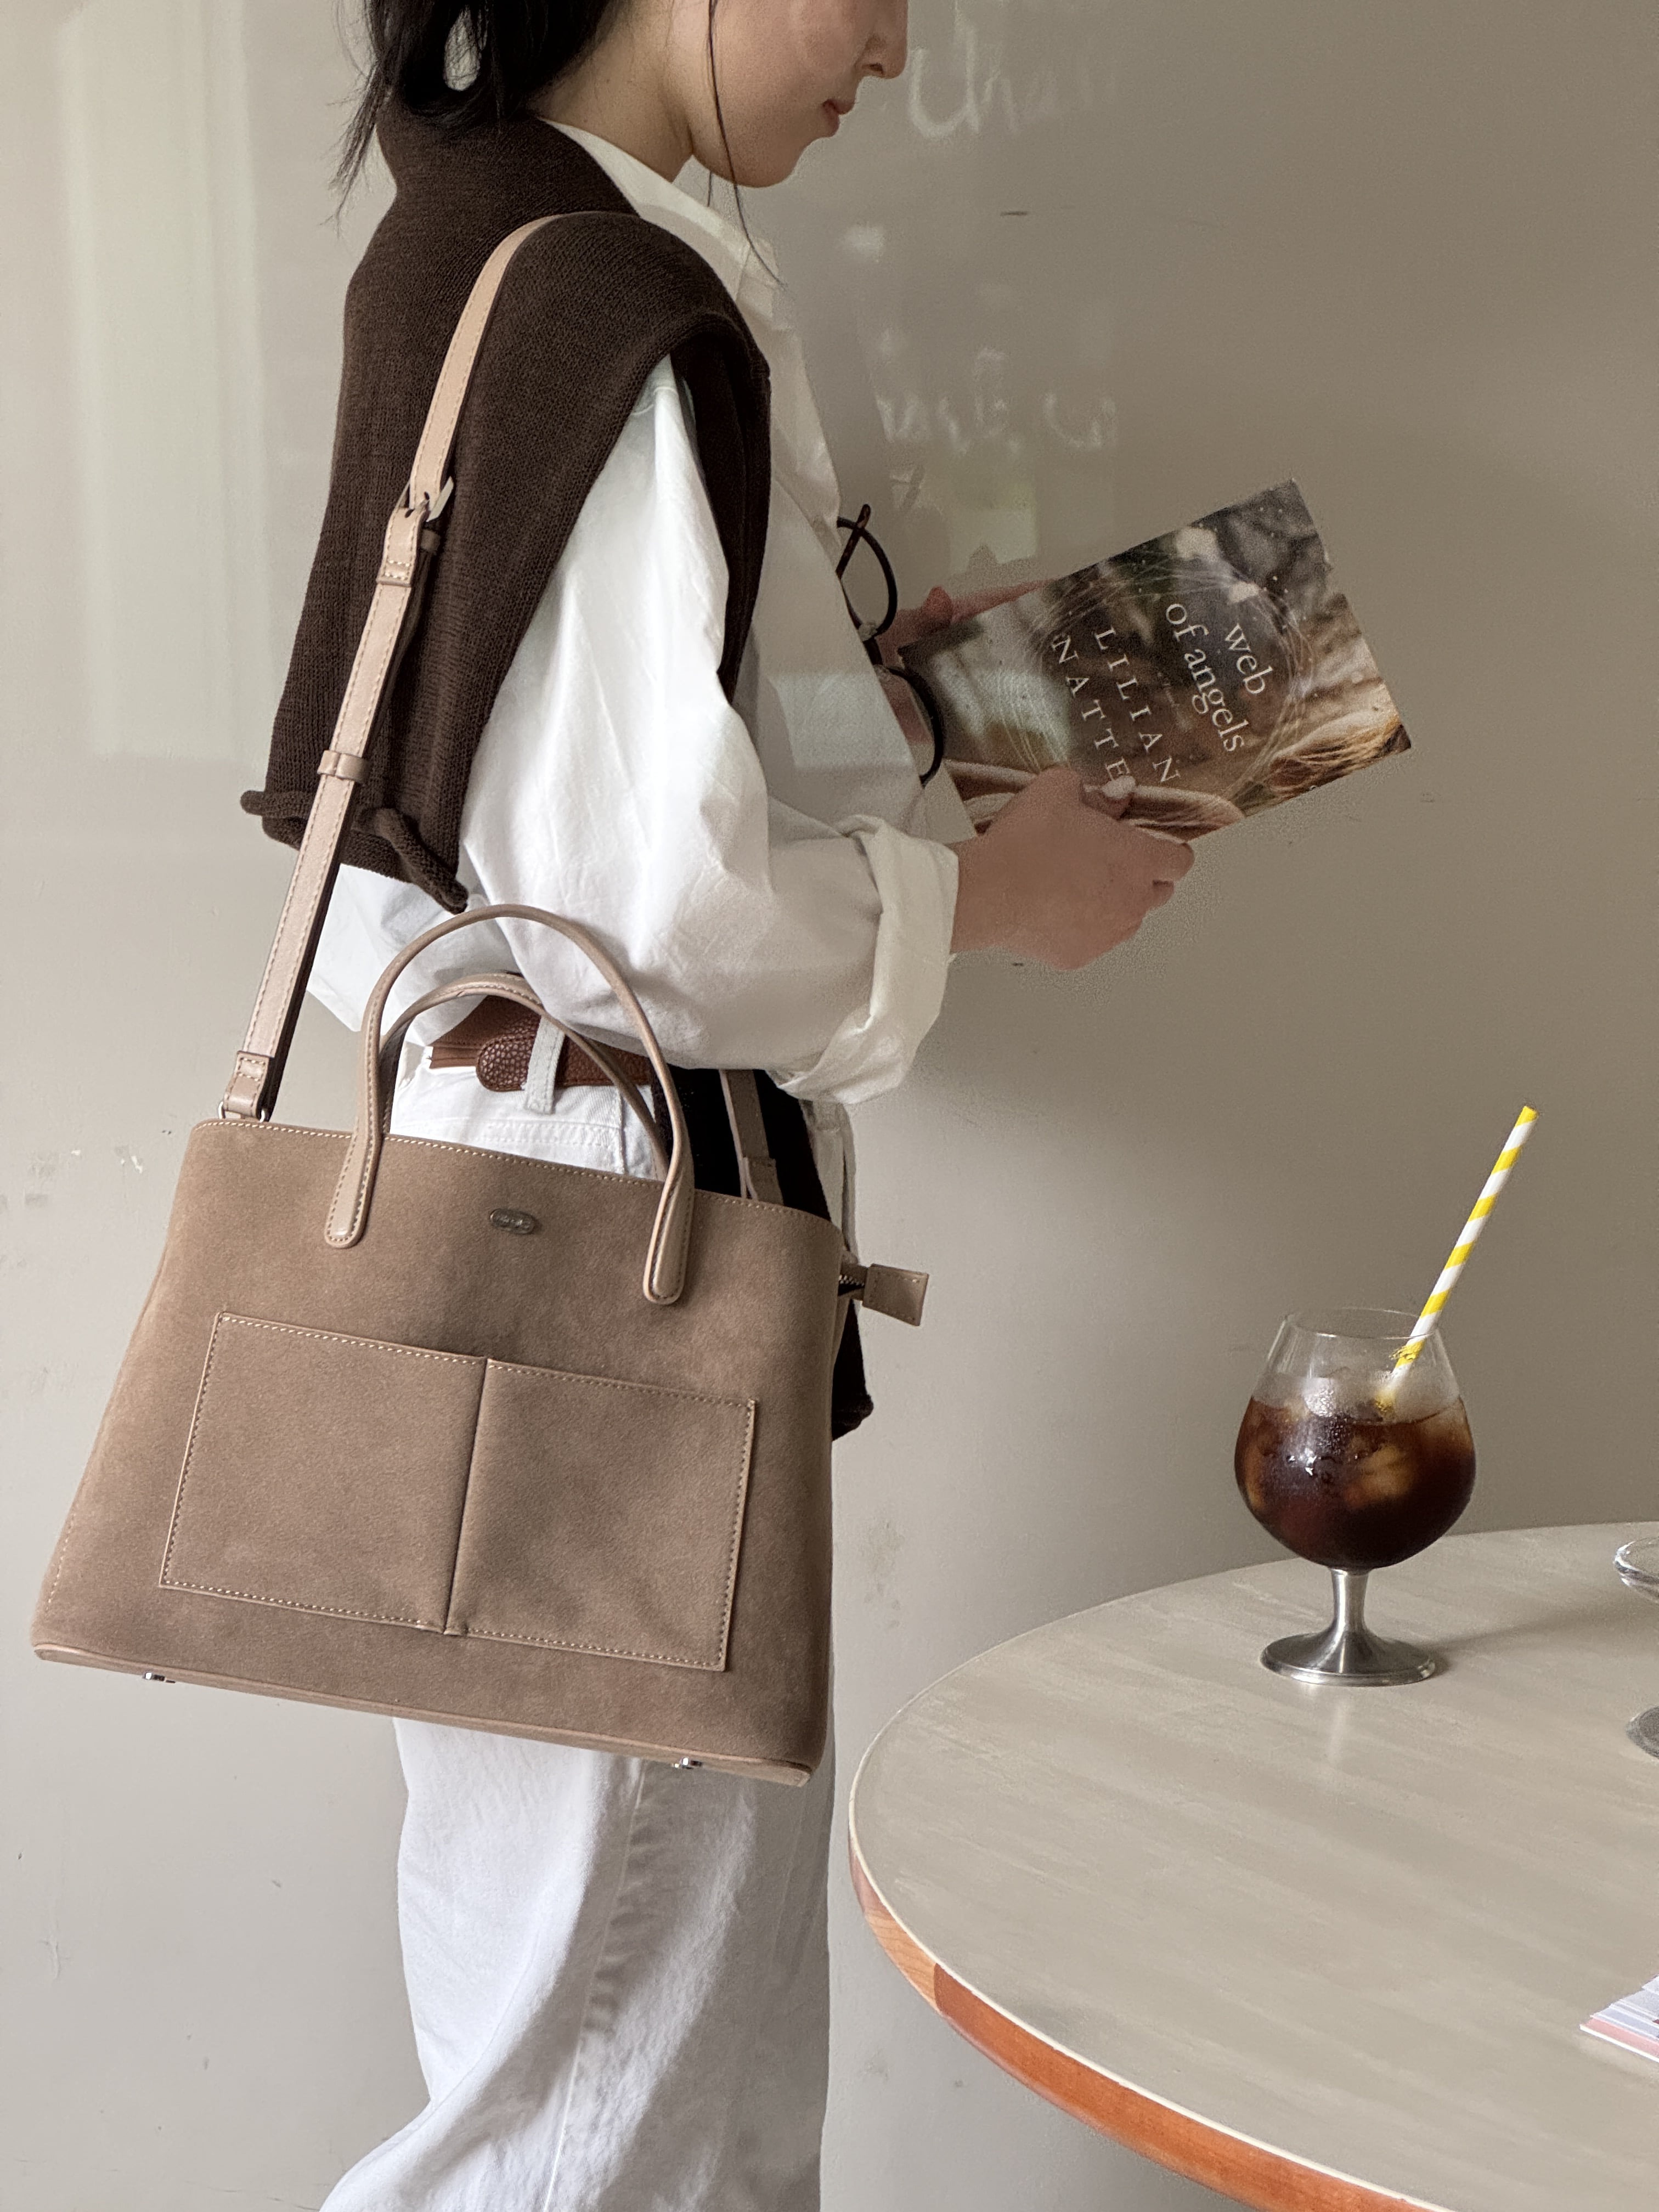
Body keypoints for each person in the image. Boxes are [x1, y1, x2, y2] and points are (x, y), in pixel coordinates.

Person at [278, 4, 1194, 2205]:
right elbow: (647, 902)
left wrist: (908, 706)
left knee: (582, 2020)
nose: (897, 38)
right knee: (612, 2084)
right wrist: (994, 902)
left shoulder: (515, 232)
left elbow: (598, 771)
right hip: (617, 1277)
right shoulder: (604, 288)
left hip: (544, 1232)